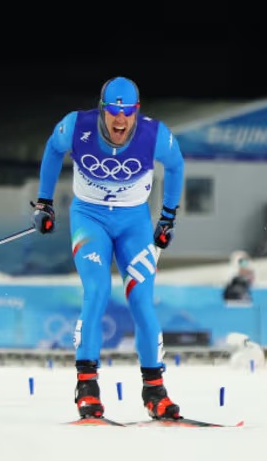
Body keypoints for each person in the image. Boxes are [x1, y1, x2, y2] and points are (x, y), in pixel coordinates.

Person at [32, 76, 185, 421]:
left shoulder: (155, 134)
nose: (120, 120)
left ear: (137, 111)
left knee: (142, 300)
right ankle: (86, 387)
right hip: (90, 219)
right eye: (114, 112)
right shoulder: (76, 125)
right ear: (101, 110)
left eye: (128, 112)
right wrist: (44, 203)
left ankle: (154, 391)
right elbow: (53, 149)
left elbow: (176, 165)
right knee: (97, 290)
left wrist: (167, 218)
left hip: (134, 223)